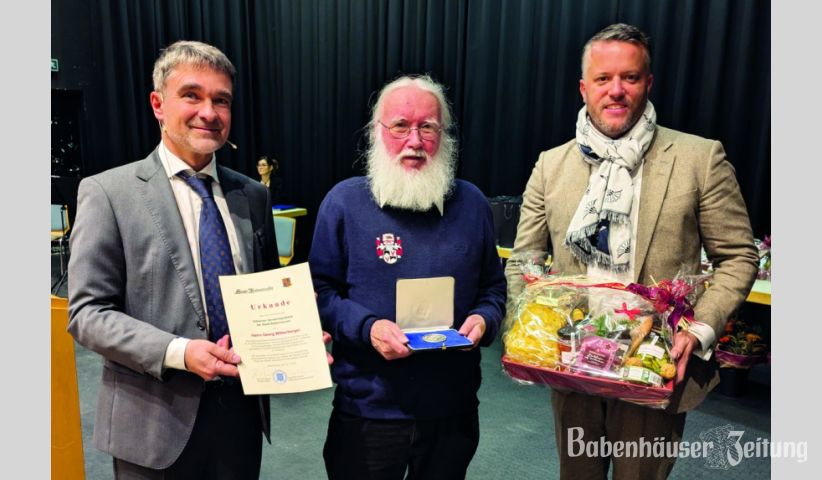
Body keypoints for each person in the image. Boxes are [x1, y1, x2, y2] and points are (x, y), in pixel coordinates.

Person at [504, 24, 759, 479]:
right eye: (603, 79)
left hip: (654, 365)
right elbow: (524, 260)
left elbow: (738, 256)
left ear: (649, 82)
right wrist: (530, 332)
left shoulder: (700, 158)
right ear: (584, 88)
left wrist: (699, 330)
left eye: (630, 77)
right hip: (572, 363)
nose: (616, 90)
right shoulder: (551, 165)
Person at [68, 40, 310, 479]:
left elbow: (267, 290)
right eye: (192, 95)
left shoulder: (251, 195)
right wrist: (178, 352)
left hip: (239, 417)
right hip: (153, 422)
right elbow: (88, 313)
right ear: (158, 104)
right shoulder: (109, 193)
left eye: (222, 100)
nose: (210, 112)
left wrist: (295, 339)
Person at [309, 74, 506, 480]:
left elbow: (493, 287)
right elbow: (320, 292)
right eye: (400, 126)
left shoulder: (472, 203)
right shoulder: (343, 202)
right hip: (368, 410)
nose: (414, 140)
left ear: (444, 135)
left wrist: (485, 319)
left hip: (452, 410)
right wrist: (368, 328)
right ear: (377, 132)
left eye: (428, 127)